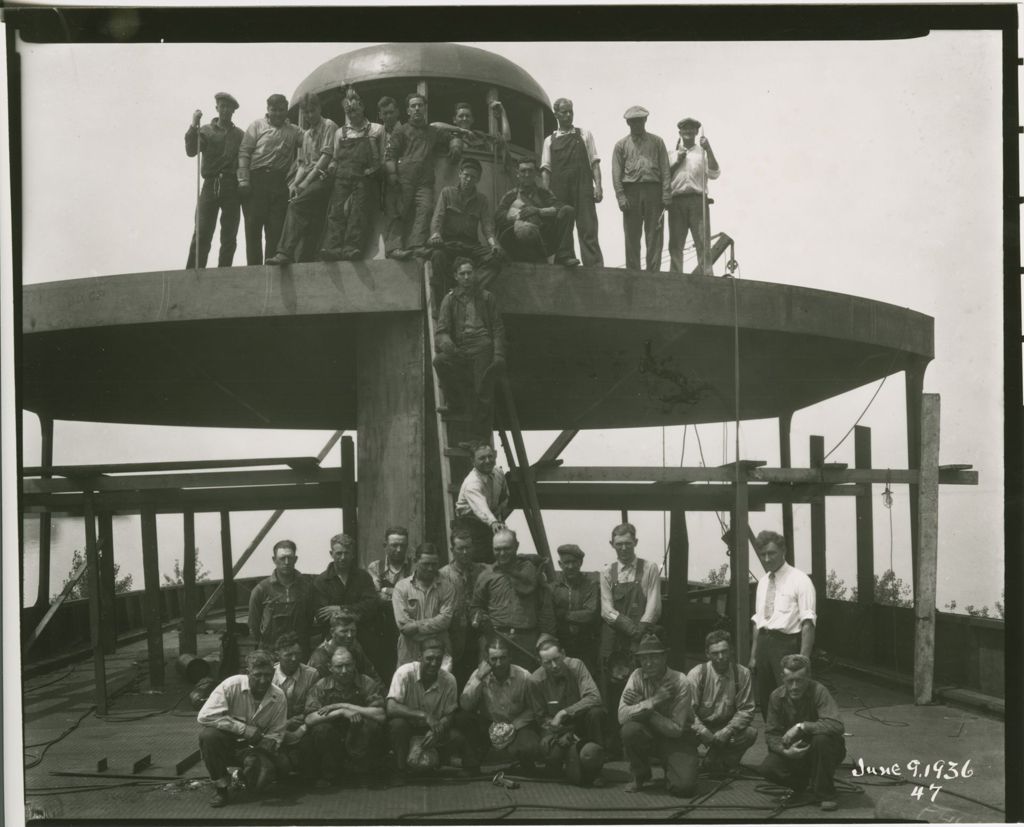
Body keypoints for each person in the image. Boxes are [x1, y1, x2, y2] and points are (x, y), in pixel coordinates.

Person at [599, 523, 663, 750]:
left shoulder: (649, 568)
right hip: (617, 638)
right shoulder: (607, 572)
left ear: (635, 542)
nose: (623, 548)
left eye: (628, 543)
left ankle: (645, 744)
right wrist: (630, 628)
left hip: (642, 637)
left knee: (644, 685)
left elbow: (654, 606)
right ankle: (615, 744)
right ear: (612, 545)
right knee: (614, 688)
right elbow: (606, 610)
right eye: (619, 544)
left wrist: (640, 631)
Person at [197, 649, 287, 808]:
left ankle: (243, 775)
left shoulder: (278, 696)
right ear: (248, 672)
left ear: (274, 672)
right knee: (208, 736)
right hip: (226, 745)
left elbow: (277, 733)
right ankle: (221, 788)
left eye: (267, 675)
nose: (262, 680)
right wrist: (243, 729)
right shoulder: (231, 685)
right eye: (257, 675)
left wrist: (265, 749)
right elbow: (204, 716)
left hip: (254, 747)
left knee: (281, 770)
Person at [386, 638, 482, 781]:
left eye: (438, 658)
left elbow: (450, 715)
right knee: (397, 725)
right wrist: (424, 715)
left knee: (457, 736)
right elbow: (391, 707)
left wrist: (439, 728)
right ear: (419, 657)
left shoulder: (449, 680)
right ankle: (401, 770)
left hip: (432, 729)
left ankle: (447, 763)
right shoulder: (404, 673)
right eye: (429, 658)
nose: (434, 663)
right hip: (409, 728)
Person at [759, 654, 845, 811]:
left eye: (799, 680)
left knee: (822, 739)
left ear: (809, 677)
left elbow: (837, 725)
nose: (794, 686)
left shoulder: (819, 691)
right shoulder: (776, 697)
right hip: (796, 752)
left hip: (823, 750)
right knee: (768, 768)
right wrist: (786, 752)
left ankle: (826, 794)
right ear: (782, 678)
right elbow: (771, 735)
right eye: (789, 681)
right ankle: (804, 783)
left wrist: (802, 726)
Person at [433, 260, 506, 443]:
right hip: (461, 349)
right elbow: (442, 331)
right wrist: (450, 348)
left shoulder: (487, 297)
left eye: (469, 273)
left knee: (482, 391)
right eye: (462, 274)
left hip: (482, 346)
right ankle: (455, 403)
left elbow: (497, 327)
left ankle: (478, 440)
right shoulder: (449, 299)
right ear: (456, 277)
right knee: (440, 362)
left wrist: (498, 354)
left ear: (474, 274)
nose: (466, 277)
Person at [618, 633, 698, 796]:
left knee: (684, 788)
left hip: (677, 740)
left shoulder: (680, 681)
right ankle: (640, 774)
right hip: (650, 735)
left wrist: (645, 709)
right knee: (630, 730)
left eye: (654, 657)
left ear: (664, 657)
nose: (648, 663)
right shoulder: (636, 676)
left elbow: (676, 730)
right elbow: (622, 717)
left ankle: (672, 768)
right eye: (644, 658)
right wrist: (654, 700)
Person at [749, 530, 816, 721]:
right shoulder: (763, 582)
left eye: (772, 553)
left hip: (787, 646)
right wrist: (754, 656)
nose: (767, 559)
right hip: (763, 645)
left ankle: (796, 745)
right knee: (767, 699)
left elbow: (808, 624)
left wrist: (803, 660)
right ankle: (775, 745)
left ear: (783, 551)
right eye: (763, 555)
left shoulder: (800, 580)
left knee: (793, 700)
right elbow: (758, 621)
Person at [384, 92, 461, 260]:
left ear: (425, 108)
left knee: (425, 210)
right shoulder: (401, 130)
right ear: (408, 111)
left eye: (420, 105)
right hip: (404, 179)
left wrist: (455, 145)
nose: (417, 108)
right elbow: (390, 155)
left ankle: (417, 245)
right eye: (413, 106)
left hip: (424, 181)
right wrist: (392, 175)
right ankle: (393, 248)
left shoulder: (433, 131)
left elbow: (450, 137)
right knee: (399, 212)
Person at [264, 93, 338, 265]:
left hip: (325, 176)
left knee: (297, 205)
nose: (309, 115)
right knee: (302, 209)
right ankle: (303, 258)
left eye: (312, 111)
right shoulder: (306, 135)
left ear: (319, 108)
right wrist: (295, 184)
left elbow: (325, 158)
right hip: (311, 178)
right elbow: (303, 164)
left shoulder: (329, 126)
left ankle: (285, 252)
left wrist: (305, 182)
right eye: (306, 112)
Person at [469, 528, 556, 670]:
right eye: (497, 549)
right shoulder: (486, 575)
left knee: (527, 686)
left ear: (516, 546)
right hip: (495, 641)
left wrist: (546, 636)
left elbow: (545, 607)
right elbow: (476, 606)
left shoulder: (532, 573)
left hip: (526, 643)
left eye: (506, 548)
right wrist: (479, 617)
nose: (502, 553)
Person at [529, 634, 607, 787]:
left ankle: (597, 768)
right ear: (540, 662)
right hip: (558, 729)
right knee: (552, 755)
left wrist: (563, 712)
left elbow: (594, 697)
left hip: (581, 721)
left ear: (563, 654)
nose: (554, 665)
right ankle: (564, 761)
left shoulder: (576, 666)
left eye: (557, 659)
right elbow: (540, 717)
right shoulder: (535, 680)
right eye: (548, 662)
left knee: (596, 713)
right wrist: (560, 732)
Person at [304, 647, 387, 787]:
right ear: (330, 667)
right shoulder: (321, 685)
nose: (344, 671)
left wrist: (344, 705)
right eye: (339, 666)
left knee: (373, 726)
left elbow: (380, 715)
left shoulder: (366, 682)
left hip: (359, 732)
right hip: (334, 735)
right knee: (321, 730)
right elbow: (309, 719)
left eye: (348, 665)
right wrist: (341, 712)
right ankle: (330, 774)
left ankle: (364, 772)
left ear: (354, 664)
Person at [459, 636, 543, 772]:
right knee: (464, 719)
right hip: (489, 725)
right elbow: (465, 705)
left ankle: (523, 762)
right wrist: (478, 678)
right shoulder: (479, 675)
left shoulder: (524, 676)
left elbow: (534, 708)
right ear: (487, 659)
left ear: (510, 657)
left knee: (530, 747)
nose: (498, 663)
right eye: (494, 659)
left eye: (503, 658)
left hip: (516, 724)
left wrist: (513, 726)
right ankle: (472, 763)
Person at [237, 93, 303, 265]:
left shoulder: (294, 131)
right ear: (268, 109)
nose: (278, 114)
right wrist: (243, 180)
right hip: (256, 179)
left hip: (279, 182)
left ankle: (271, 270)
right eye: (274, 110)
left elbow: (311, 140)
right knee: (253, 227)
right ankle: (254, 269)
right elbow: (244, 152)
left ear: (286, 110)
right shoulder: (257, 126)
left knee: (275, 229)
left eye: (281, 110)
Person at [319, 86, 382, 261]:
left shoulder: (376, 130)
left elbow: (381, 158)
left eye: (354, 109)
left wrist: (373, 171)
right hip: (342, 176)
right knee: (336, 211)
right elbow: (336, 157)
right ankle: (332, 247)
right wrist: (331, 166)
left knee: (358, 211)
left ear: (362, 107)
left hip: (364, 177)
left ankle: (351, 248)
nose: (351, 114)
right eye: (348, 111)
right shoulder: (341, 132)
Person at [427, 157, 502, 302]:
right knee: (437, 256)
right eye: (466, 175)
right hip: (449, 244)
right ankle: (443, 299)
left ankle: (467, 291)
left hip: (470, 246)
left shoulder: (482, 200)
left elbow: (488, 227)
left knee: (496, 260)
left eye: (472, 177)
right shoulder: (447, 193)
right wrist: (436, 234)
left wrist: (494, 244)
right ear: (460, 174)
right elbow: (438, 217)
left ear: (478, 179)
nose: (468, 179)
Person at [540, 98, 604, 267]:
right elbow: (546, 170)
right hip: (559, 189)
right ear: (556, 115)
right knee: (563, 226)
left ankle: (594, 267)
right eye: (564, 112)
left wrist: (598, 186)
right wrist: (546, 194)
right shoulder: (549, 140)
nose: (568, 115)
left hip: (583, 188)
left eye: (571, 111)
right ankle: (566, 261)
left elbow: (594, 163)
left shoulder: (584, 134)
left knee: (588, 228)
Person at [185, 92, 244, 269]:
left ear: (234, 111)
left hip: (231, 186)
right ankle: (192, 272)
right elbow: (190, 151)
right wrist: (194, 124)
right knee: (202, 231)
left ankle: (224, 273)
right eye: (222, 106)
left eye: (229, 107)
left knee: (229, 235)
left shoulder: (240, 135)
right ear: (217, 108)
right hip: (210, 185)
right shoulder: (205, 130)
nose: (225, 110)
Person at [686, 630, 757, 776]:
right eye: (715, 653)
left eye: (724, 652)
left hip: (726, 726)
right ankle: (703, 761)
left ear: (731, 650)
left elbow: (747, 710)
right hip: (700, 727)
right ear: (707, 654)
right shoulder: (697, 674)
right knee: (687, 768)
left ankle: (724, 761)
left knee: (750, 733)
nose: (721, 657)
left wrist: (728, 730)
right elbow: (687, 711)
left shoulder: (742, 674)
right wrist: (702, 730)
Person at [611, 106, 671, 272]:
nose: (637, 124)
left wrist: (666, 194)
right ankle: (633, 273)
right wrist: (620, 196)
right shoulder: (621, 145)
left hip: (654, 191)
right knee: (632, 236)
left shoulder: (657, 142)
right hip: (631, 193)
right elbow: (616, 173)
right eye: (633, 121)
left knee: (655, 235)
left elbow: (665, 169)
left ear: (645, 120)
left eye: (640, 120)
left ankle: (653, 273)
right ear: (628, 123)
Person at [495, 158, 579, 266]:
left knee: (568, 210)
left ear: (535, 173)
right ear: (517, 173)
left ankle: (563, 256)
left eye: (530, 171)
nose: (527, 174)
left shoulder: (543, 193)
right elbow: (498, 216)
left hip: (544, 240)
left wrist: (538, 211)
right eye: (523, 171)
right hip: (519, 241)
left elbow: (559, 207)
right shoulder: (511, 195)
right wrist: (518, 214)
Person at [667, 117, 720, 275]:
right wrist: (677, 160)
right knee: (676, 244)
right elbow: (664, 177)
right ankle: (675, 278)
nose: (688, 131)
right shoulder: (671, 153)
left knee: (703, 242)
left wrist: (709, 148)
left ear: (697, 132)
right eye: (685, 129)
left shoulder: (702, 152)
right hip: (676, 202)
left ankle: (707, 277)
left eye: (692, 129)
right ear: (680, 132)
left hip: (698, 202)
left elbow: (714, 173)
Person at [247, 539, 316, 657]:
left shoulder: (307, 587)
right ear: (274, 560)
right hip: (271, 652)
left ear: (296, 559)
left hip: (299, 650)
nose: (287, 562)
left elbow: (309, 619)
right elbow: (254, 626)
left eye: (290, 558)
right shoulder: (261, 590)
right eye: (282, 558)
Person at [392, 543, 456, 669]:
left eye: (434, 564)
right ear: (416, 561)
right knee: (409, 685)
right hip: (409, 651)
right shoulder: (401, 587)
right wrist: (433, 630)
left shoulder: (447, 587)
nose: (431, 568)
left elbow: (445, 620)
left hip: (438, 652)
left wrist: (416, 625)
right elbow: (404, 626)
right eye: (426, 564)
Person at [312, 533, 378, 650]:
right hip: (334, 642)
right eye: (339, 553)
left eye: (346, 553)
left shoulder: (363, 577)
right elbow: (322, 616)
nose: (343, 557)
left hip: (363, 640)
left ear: (352, 554)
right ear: (331, 554)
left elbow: (371, 607)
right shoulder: (321, 581)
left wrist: (341, 609)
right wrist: (355, 612)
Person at [439, 526, 486, 686]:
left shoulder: (484, 571)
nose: (465, 552)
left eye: (468, 548)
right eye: (461, 548)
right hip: (454, 638)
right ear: (453, 550)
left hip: (479, 637)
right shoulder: (443, 575)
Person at [270, 632, 321, 780]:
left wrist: (303, 718)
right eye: (288, 655)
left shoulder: (311, 674)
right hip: (274, 728)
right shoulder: (269, 676)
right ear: (277, 654)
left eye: (297, 654)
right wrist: (285, 723)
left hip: (303, 725)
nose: (294, 659)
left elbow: (315, 704)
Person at [366, 526, 413, 680]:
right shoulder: (375, 567)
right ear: (385, 545)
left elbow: (414, 596)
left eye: (403, 545)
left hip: (407, 629)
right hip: (382, 629)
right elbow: (375, 597)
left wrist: (386, 590)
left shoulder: (414, 567)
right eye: (394, 545)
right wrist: (400, 594)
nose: (399, 550)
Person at [550, 543, 601, 679]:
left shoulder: (590, 585)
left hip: (585, 645)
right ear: (560, 564)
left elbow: (590, 614)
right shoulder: (553, 588)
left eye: (574, 562)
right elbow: (549, 615)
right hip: (561, 644)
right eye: (566, 562)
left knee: (587, 680)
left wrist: (563, 614)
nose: (571, 566)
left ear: (581, 563)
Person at [454, 444, 510, 565]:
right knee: (478, 563)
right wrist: (493, 522)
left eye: (490, 456)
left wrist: (499, 518)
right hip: (471, 525)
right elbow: (481, 507)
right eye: (482, 458)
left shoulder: (498, 473)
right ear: (472, 461)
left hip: (490, 522)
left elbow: (504, 496)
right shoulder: (472, 483)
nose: (487, 461)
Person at [307, 609, 382, 685]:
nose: (350, 635)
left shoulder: (354, 645)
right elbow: (317, 690)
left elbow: (371, 673)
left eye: (353, 630)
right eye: (344, 631)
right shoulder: (319, 658)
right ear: (332, 632)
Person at [374, 95, 404, 259]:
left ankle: (394, 248)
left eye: (391, 112)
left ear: (398, 112)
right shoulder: (379, 133)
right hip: (381, 178)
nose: (388, 116)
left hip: (399, 177)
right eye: (385, 113)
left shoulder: (404, 130)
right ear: (380, 115)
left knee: (395, 211)